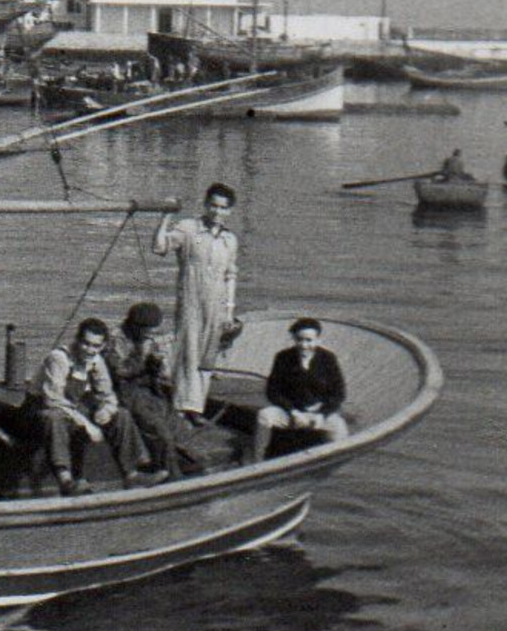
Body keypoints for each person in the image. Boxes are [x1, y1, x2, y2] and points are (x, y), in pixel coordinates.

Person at [28, 319, 154, 496]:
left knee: (121, 414)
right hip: (40, 408)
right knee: (54, 418)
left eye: (96, 346)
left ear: (102, 346)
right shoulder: (59, 358)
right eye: (86, 344)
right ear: (77, 340)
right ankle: (66, 480)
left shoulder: (96, 361)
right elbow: (53, 399)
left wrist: (106, 410)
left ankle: (131, 474)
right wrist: (88, 425)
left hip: (71, 406)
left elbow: (108, 395)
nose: (90, 350)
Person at [153, 183, 240, 423]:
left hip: (218, 304)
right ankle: (181, 408)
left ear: (229, 211)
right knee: (188, 350)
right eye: (213, 205)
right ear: (205, 204)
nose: (217, 211)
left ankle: (196, 408)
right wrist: (166, 217)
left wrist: (229, 310)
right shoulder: (189, 229)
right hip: (191, 298)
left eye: (223, 208)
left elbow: (230, 274)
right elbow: (159, 247)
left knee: (206, 356)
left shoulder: (230, 239)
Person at [103, 301, 188, 480]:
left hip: (149, 390)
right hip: (125, 393)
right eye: (146, 330)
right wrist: (145, 366)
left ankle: (181, 462)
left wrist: (158, 366)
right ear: (135, 325)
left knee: (176, 424)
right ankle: (171, 475)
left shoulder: (148, 340)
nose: (149, 334)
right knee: (158, 429)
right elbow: (118, 372)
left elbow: (159, 372)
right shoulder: (114, 339)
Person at [252, 317, 349, 462]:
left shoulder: (328, 359)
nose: (304, 345)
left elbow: (339, 393)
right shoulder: (283, 357)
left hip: (318, 414)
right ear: (294, 339)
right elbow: (272, 391)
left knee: (339, 428)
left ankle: (332, 462)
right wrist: (293, 411)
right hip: (291, 413)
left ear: (318, 340)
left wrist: (322, 414)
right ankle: (257, 460)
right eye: (300, 340)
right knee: (264, 416)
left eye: (309, 340)